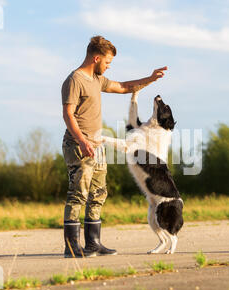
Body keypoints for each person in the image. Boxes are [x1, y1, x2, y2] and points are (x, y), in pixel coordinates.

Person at [61, 35, 167, 258]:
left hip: (97, 144)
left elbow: (124, 86)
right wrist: (81, 140)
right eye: (107, 62)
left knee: (99, 193)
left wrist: (150, 78)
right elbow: (68, 114)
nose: (109, 67)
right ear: (96, 58)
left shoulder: (97, 80)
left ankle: (93, 244)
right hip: (78, 145)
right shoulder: (74, 80)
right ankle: (71, 247)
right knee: (78, 193)